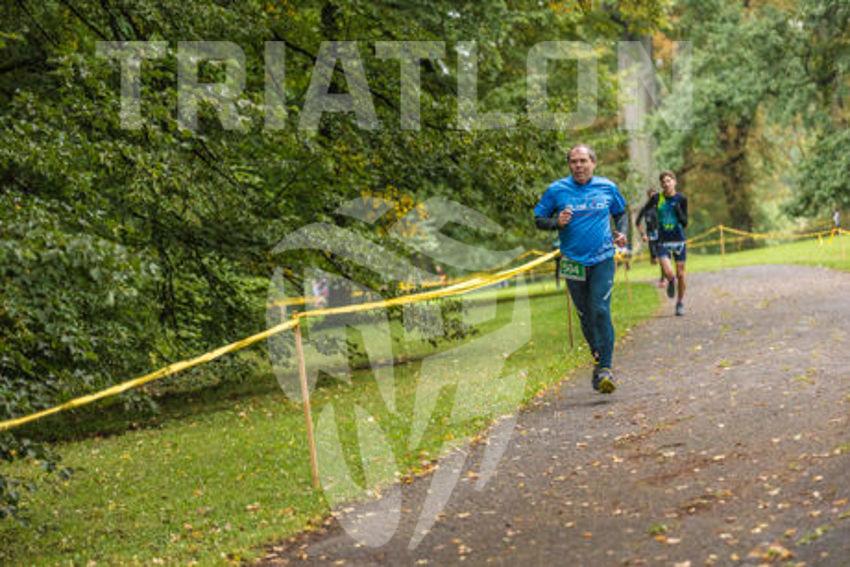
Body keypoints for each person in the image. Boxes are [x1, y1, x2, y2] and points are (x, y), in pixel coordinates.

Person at [533, 144, 628, 394]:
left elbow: (621, 212)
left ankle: (606, 368)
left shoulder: (607, 187)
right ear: (569, 165)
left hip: (602, 258)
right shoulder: (557, 190)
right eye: (574, 161)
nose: (578, 166)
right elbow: (539, 219)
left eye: (583, 161)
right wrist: (556, 222)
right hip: (572, 261)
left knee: (600, 309)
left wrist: (622, 232)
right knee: (585, 314)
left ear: (593, 163)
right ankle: (598, 359)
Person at [655, 171, 688, 316]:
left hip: (678, 240)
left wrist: (678, 210)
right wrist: (647, 229)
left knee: (681, 274)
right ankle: (670, 280)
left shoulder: (681, 198)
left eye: (668, 181)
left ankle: (680, 303)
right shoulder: (658, 198)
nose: (666, 184)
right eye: (663, 182)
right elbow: (646, 213)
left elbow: (685, 222)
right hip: (662, 240)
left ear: (674, 182)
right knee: (669, 272)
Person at [635, 187, 665, 287]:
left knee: (662, 256)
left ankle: (663, 279)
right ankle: (656, 260)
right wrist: (643, 234)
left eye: (655, 196)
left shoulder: (661, 207)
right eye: (651, 196)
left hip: (661, 233)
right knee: (654, 260)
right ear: (648, 197)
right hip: (651, 234)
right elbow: (637, 223)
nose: (653, 198)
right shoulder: (645, 208)